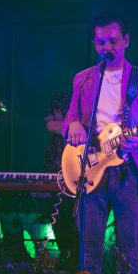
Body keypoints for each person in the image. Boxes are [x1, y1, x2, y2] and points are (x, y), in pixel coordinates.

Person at [63, 15, 138, 274]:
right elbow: (70, 118)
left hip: (130, 172)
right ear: (95, 44)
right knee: (89, 248)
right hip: (92, 169)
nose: (106, 47)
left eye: (113, 41)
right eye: (101, 42)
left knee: (128, 250)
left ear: (126, 41)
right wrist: (73, 124)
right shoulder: (83, 79)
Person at [44, 90, 77, 265]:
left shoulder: (89, 98)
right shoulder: (60, 97)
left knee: (74, 212)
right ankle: (65, 251)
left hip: (77, 167)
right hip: (55, 164)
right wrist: (71, 126)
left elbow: (88, 131)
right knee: (54, 210)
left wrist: (63, 122)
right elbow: (51, 126)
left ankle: (75, 254)